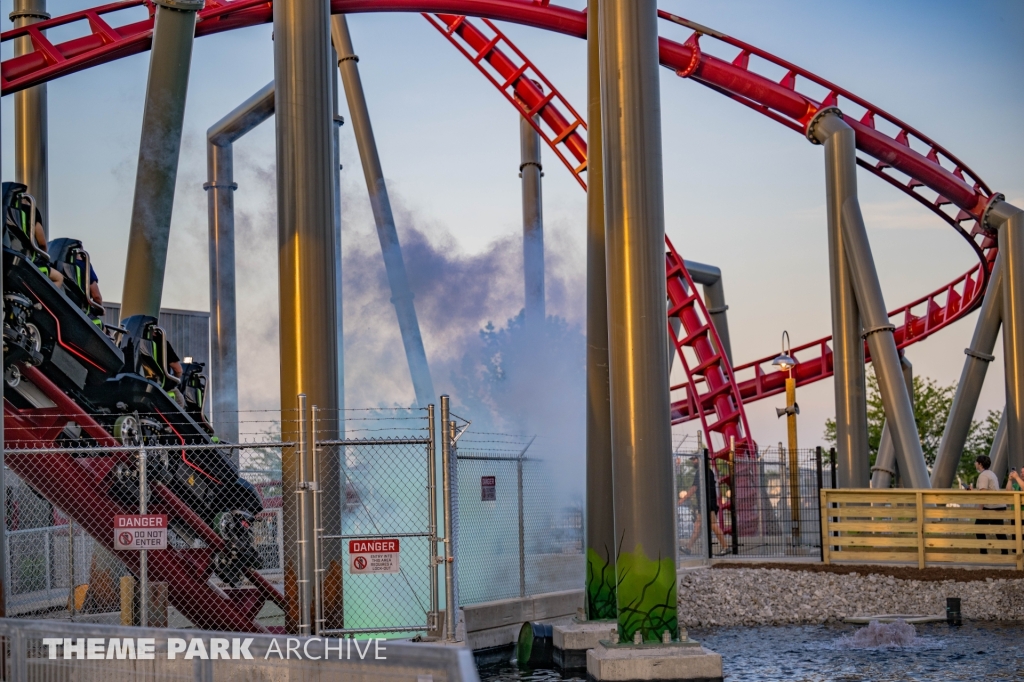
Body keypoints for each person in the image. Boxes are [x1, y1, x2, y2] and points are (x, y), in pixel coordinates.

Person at [679, 456, 729, 554]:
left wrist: (683, 499)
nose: (693, 461)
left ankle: (726, 547)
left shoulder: (702, 472)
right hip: (705, 504)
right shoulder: (707, 471)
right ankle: (688, 548)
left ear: (701, 460)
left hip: (708, 504)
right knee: (698, 526)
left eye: (695, 459)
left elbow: (694, 487)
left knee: (713, 525)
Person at [971, 455, 1008, 555]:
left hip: (991, 506)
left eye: (976, 462)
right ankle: (1005, 553)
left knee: (978, 527)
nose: (975, 464)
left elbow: (983, 494)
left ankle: (984, 552)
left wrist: (980, 509)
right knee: (999, 531)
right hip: (999, 505)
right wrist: (973, 490)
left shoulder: (983, 475)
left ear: (980, 464)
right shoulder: (991, 473)